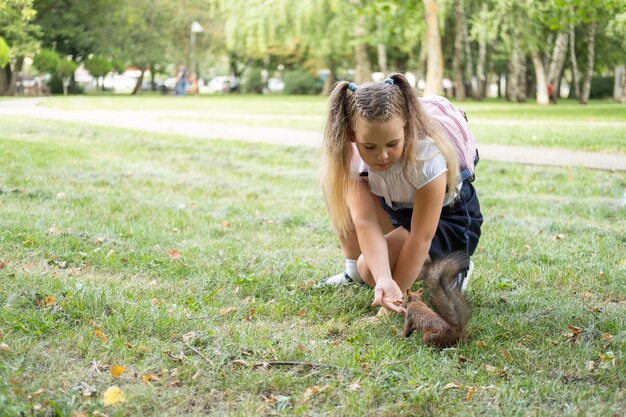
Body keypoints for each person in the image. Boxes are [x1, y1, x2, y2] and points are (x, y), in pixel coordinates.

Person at [317, 73, 483, 316]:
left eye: (392, 144)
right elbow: (365, 221)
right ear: (353, 135)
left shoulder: (426, 157)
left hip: (447, 223)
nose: (382, 156)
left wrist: (396, 297)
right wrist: (384, 279)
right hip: (400, 213)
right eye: (370, 147)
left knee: (380, 266)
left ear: (406, 126)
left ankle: (455, 267)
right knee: (367, 270)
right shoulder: (351, 157)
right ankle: (353, 271)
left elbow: (421, 236)